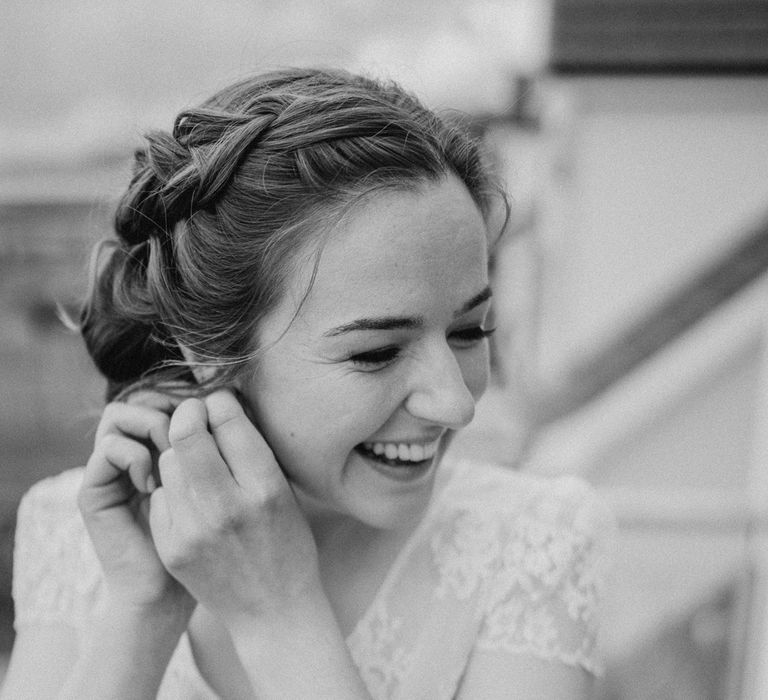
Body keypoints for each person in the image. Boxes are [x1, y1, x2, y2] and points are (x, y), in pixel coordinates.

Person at [1, 67, 612, 699]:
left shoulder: (533, 546)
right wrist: (141, 612)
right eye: (377, 351)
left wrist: (281, 612)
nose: (456, 404)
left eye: (469, 331)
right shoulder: (79, 530)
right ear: (210, 350)